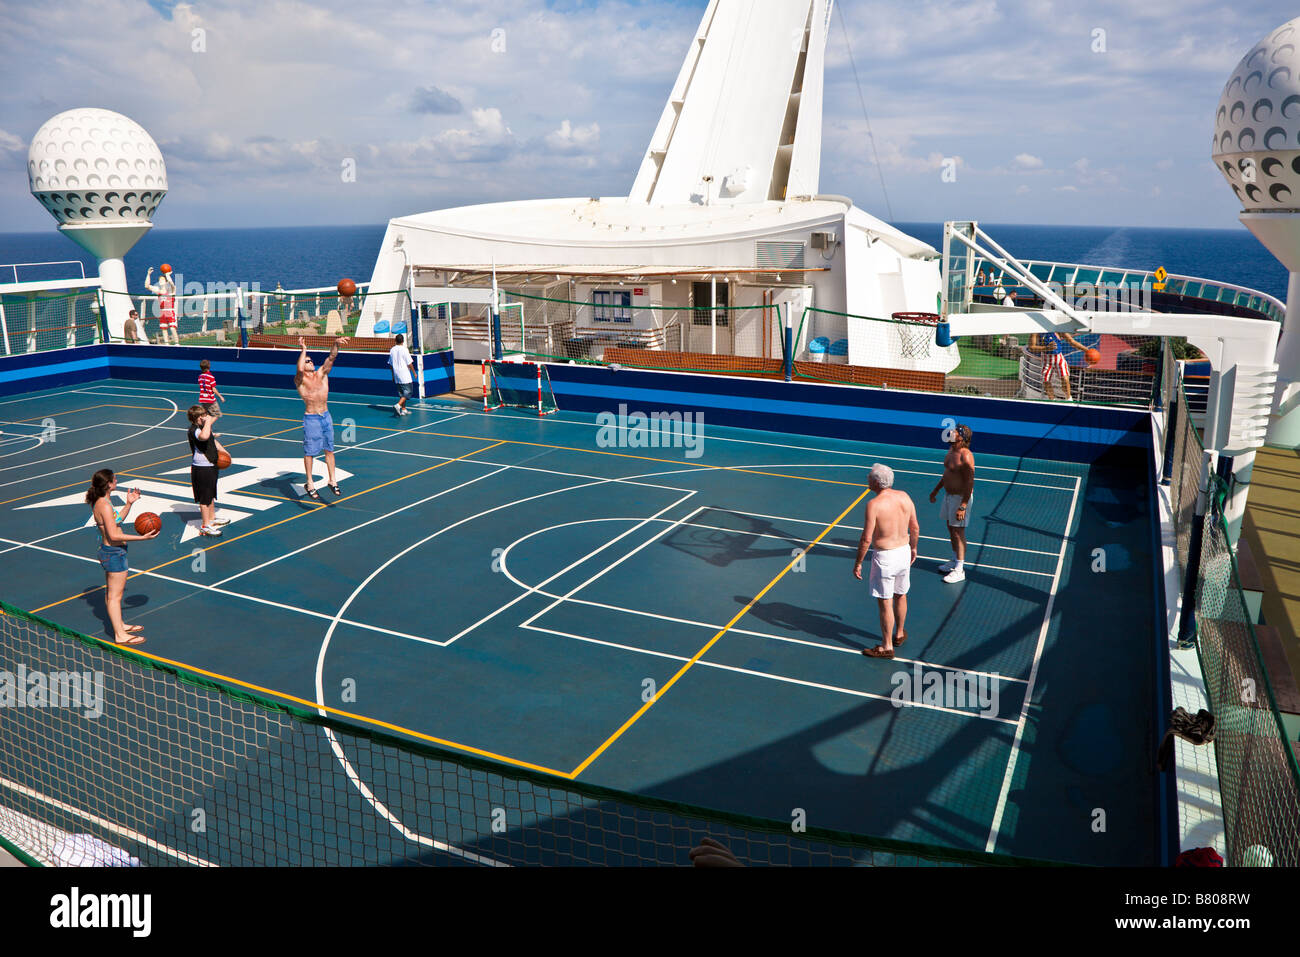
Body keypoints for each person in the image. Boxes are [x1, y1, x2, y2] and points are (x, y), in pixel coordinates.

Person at [853, 463, 919, 659]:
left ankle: (887, 646)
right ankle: (899, 633)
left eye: (869, 477)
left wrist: (858, 562)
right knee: (901, 594)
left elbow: (866, 538)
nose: (867, 479)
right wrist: (913, 548)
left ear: (876, 482)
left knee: (885, 602)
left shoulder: (874, 505)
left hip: (885, 557)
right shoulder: (905, 497)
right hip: (904, 552)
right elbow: (914, 527)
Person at [86, 468, 159, 644]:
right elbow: (114, 535)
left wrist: (129, 503)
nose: (117, 481)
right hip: (113, 553)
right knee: (114, 596)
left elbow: (116, 521)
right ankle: (120, 635)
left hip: (114, 552)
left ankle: (120, 625)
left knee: (112, 594)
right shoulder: (103, 505)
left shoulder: (105, 501)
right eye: (115, 479)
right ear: (109, 484)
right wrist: (142, 538)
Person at [295, 335, 348, 500]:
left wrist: (335, 344)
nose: (310, 362)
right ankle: (310, 483)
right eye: (307, 361)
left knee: (329, 449)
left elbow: (332, 356)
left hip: (325, 416)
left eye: (311, 360)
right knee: (310, 452)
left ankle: (332, 480)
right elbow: (298, 368)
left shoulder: (322, 374)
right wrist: (304, 349)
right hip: (311, 418)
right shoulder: (300, 380)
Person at [929, 424, 975, 583]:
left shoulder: (966, 456)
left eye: (955, 431)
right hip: (949, 496)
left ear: (961, 436)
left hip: (960, 498)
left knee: (958, 532)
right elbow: (947, 474)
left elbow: (970, 482)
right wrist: (936, 491)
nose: (951, 432)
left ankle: (960, 569)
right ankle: (955, 560)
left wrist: (963, 505)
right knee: (951, 529)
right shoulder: (951, 451)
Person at [187, 406, 228, 536]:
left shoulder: (204, 428)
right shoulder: (194, 430)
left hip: (211, 465)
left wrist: (224, 451)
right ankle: (205, 525)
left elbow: (212, 440)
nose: (205, 417)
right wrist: (209, 422)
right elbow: (204, 437)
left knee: (210, 494)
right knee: (204, 498)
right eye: (203, 416)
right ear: (198, 418)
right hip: (201, 468)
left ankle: (212, 519)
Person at [1028, 327, 1090, 400]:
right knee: (1046, 380)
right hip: (1046, 359)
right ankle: (1052, 399)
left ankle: (1069, 399)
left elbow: (1072, 341)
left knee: (1065, 378)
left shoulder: (1058, 329)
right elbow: (1031, 347)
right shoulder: (1037, 330)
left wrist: (1087, 350)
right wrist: (1046, 348)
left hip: (1058, 358)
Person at [145, 265, 179, 345]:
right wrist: (148, 274)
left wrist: (167, 275)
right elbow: (147, 286)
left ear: (166, 281)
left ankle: (177, 343)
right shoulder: (158, 290)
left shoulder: (171, 290)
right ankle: (166, 344)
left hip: (170, 312)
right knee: (164, 329)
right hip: (162, 313)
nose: (160, 281)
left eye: (162, 280)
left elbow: (172, 284)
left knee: (172, 328)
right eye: (159, 280)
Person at [388, 333, 415, 416]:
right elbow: (409, 363)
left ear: (395, 341)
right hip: (404, 375)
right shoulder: (404, 349)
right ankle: (398, 405)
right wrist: (414, 373)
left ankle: (403, 409)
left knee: (401, 392)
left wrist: (393, 375)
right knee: (408, 391)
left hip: (396, 374)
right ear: (403, 341)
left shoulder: (392, 350)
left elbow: (390, 364)